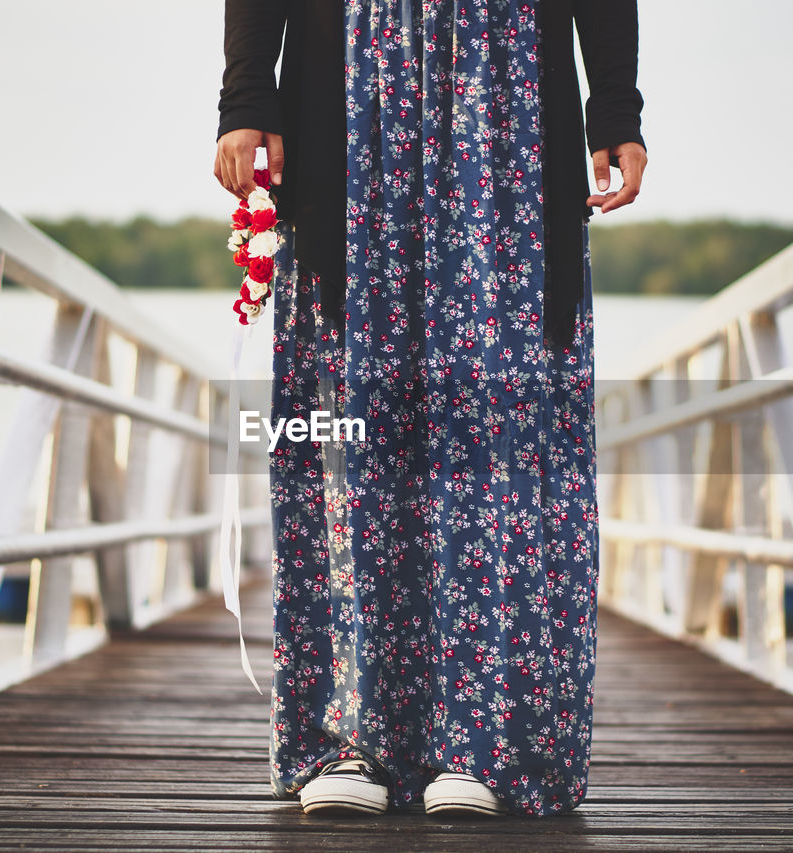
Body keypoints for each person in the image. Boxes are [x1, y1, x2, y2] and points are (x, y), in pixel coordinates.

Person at [214, 0, 646, 818]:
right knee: (357, 411)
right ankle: (353, 733)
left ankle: (484, 740)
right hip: (353, 70)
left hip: (508, 83)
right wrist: (247, 101)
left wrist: (615, 103)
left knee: (494, 418)